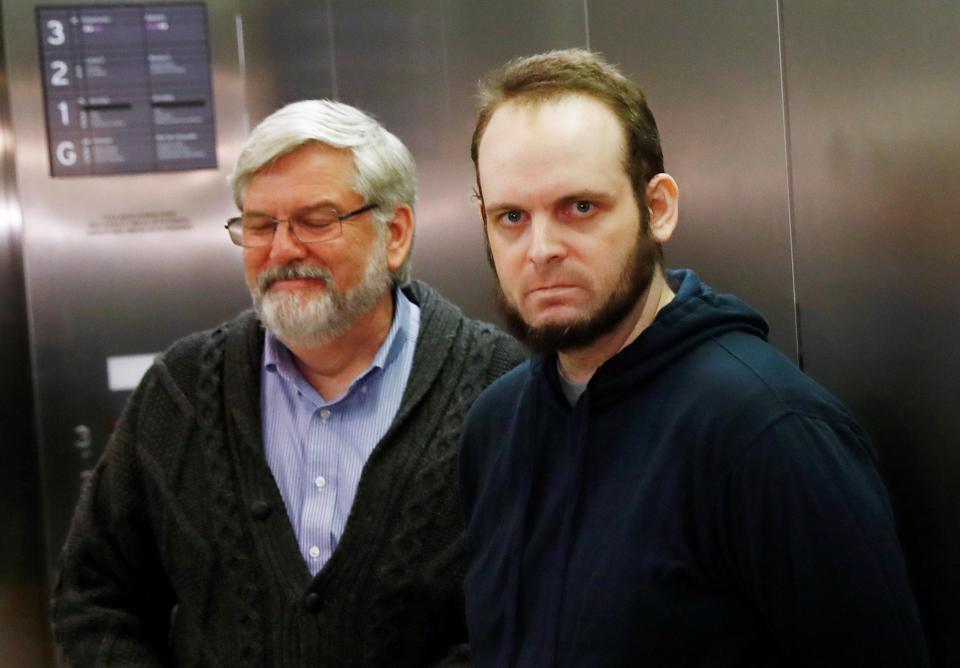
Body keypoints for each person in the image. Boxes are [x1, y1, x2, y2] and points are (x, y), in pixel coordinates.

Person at [460, 49, 929, 667]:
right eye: (511, 217)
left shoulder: (770, 432)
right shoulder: (496, 426)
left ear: (657, 208)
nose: (540, 249)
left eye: (580, 208)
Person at [51, 99, 524, 666]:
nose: (281, 250)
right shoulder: (179, 392)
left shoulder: (502, 388)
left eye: (316, 221)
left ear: (394, 233)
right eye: (259, 225)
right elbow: (94, 595)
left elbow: (538, 610)